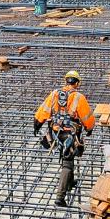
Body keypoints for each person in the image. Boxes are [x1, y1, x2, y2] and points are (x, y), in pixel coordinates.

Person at [34, 71, 96, 207]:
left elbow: (43, 110)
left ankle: (70, 182)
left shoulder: (55, 94)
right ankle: (60, 197)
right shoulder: (79, 97)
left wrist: (37, 124)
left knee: (69, 156)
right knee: (67, 163)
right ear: (77, 83)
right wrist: (89, 129)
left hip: (55, 132)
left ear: (65, 81)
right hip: (70, 134)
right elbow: (88, 118)